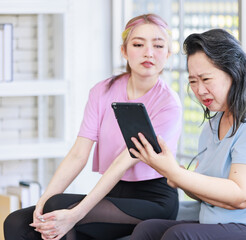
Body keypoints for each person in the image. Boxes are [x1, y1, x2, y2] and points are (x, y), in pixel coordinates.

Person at [4, 13, 182, 240]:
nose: (149, 52)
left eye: (158, 45)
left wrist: (76, 213)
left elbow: (122, 162)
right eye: (138, 44)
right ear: (124, 51)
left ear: (168, 54)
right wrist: (43, 200)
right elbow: (79, 153)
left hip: (153, 199)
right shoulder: (102, 91)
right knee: (17, 222)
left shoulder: (168, 103)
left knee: (61, 209)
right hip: (116, 192)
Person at [128, 29, 246, 240]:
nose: (199, 90)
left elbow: (241, 196)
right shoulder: (213, 124)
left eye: (206, 79)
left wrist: (178, 174)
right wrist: (177, 176)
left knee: (179, 235)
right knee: (148, 230)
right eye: (192, 81)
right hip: (230, 224)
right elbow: (206, 193)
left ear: (234, 72)